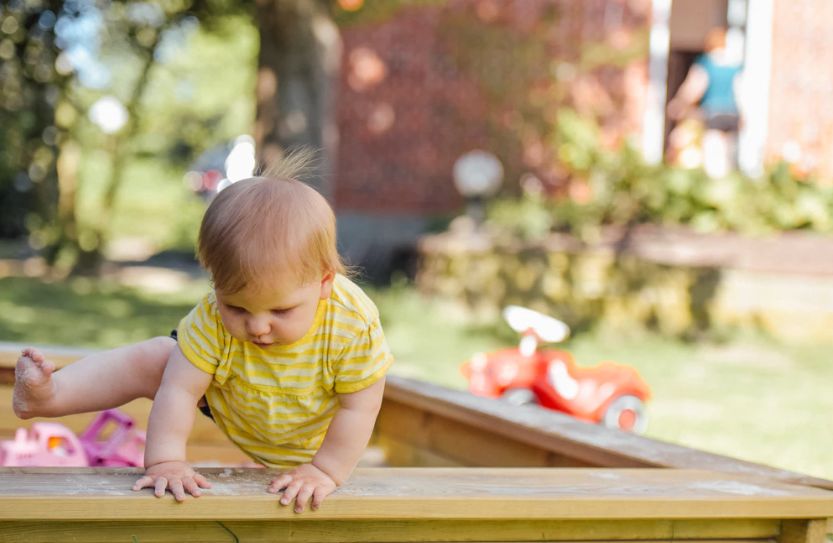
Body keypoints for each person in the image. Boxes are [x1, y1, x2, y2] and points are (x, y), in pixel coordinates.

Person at [12, 154, 394, 513]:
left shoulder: (350, 324)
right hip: (238, 399)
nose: (257, 327)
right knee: (159, 358)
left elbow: (359, 406)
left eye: (281, 310)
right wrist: (166, 461)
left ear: (325, 283)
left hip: (316, 433)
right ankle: (50, 395)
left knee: (341, 422)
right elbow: (179, 390)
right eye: (237, 307)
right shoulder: (211, 315)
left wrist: (325, 470)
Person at [667, 27, 743, 178]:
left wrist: (680, 102)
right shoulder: (734, 65)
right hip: (732, 112)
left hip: (713, 111)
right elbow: (740, 90)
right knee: (728, 153)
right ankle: (728, 182)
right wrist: (743, 114)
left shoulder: (707, 63)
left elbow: (695, 85)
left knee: (713, 152)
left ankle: (715, 185)